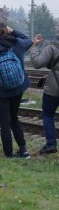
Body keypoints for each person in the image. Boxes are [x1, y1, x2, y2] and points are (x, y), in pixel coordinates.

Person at [0, 22, 32, 158]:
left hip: (1, 90)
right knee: (14, 118)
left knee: (5, 123)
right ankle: (24, 150)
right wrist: (14, 32)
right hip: (18, 87)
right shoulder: (17, 43)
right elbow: (28, 41)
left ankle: (9, 154)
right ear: (7, 31)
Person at [29, 27, 59, 155]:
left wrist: (34, 46)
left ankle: (51, 144)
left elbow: (37, 63)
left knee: (48, 114)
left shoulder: (52, 47)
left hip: (54, 85)